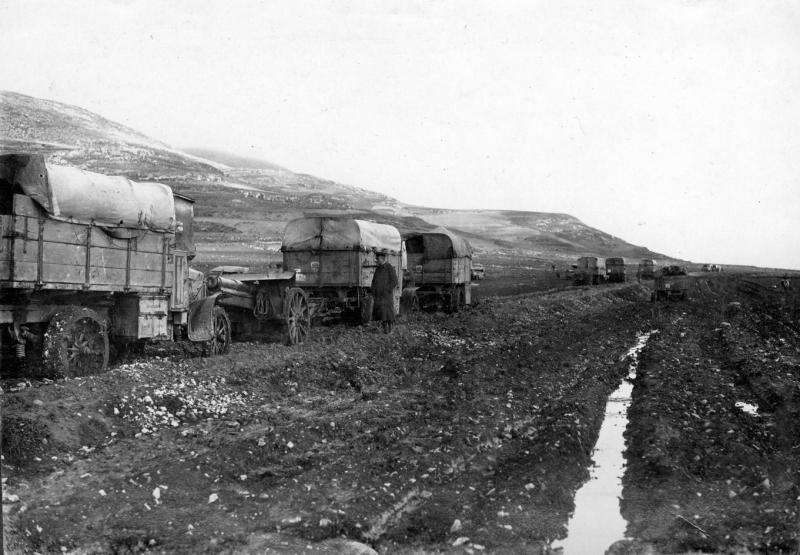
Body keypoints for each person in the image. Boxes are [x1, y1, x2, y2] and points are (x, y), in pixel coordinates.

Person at [371, 251, 397, 333]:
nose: (376, 260)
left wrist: (387, 289)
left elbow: (394, 281)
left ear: (382, 258)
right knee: (381, 313)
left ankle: (390, 328)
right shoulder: (378, 269)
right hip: (378, 295)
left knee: (388, 312)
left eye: (378, 258)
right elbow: (374, 281)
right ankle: (385, 328)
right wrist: (373, 291)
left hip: (386, 295)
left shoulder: (389, 267)